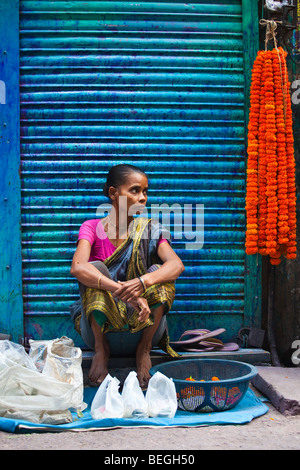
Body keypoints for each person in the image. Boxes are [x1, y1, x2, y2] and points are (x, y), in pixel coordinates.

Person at [70, 164, 185, 388]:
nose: (143, 198)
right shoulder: (92, 227)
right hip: (100, 331)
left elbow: (176, 265)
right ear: (113, 193)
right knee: (94, 269)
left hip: (143, 324)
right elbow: (77, 267)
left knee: (160, 274)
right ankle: (101, 351)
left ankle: (144, 351)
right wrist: (123, 292)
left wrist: (142, 283)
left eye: (145, 191)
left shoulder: (152, 229)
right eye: (134, 190)